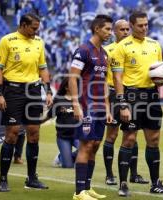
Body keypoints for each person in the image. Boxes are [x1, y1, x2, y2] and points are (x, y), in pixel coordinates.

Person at [111, 11, 163, 196]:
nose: (144, 28)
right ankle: (123, 183)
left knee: (153, 140)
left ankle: (155, 183)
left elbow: (160, 71)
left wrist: (161, 81)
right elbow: (117, 78)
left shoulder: (155, 45)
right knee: (129, 139)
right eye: (140, 25)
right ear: (132, 25)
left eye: (146, 25)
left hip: (151, 96)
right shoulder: (122, 47)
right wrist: (122, 103)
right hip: (131, 96)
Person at [0, 13, 53, 192]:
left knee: (34, 133)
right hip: (12, 91)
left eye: (37, 28)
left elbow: (43, 67)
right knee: (12, 134)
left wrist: (48, 90)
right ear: (23, 25)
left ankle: (32, 178)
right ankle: (3, 179)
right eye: (33, 28)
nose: (36, 31)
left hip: (33, 90)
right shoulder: (7, 40)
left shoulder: (39, 42)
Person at [69, 14, 113, 200]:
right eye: (107, 29)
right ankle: (79, 192)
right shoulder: (83, 50)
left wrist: (108, 108)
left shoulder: (104, 53)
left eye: (110, 29)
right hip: (86, 105)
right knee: (85, 145)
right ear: (96, 28)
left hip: (100, 107)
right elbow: (72, 78)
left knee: (95, 145)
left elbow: (104, 83)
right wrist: (75, 104)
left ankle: (87, 188)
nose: (110, 33)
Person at [103, 19, 148, 185]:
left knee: (132, 134)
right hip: (113, 94)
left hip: (130, 94)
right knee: (112, 134)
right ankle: (109, 174)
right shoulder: (107, 50)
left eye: (127, 29)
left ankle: (134, 174)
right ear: (114, 31)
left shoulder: (134, 47)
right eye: (121, 29)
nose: (125, 32)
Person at [44, 77, 80, 168]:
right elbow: (49, 115)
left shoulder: (79, 99)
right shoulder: (59, 100)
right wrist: (36, 123)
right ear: (66, 87)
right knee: (68, 166)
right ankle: (61, 157)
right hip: (63, 137)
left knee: (86, 150)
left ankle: (65, 156)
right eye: (73, 85)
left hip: (77, 136)